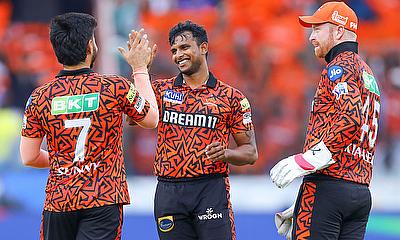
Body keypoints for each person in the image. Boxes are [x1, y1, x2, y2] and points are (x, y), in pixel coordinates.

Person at [19, 12, 158, 240]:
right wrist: (140, 69)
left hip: (59, 201)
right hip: (103, 198)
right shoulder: (115, 87)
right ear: (90, 47)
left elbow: (29, 157)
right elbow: (151, 119)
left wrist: (66, 161)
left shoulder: (39, 97)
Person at [129, 20, 258, 240]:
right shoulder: (160, 90)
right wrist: (141, 71)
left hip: (210, 189)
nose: (179, 54)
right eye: (174, 50)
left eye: (185, 47)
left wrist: (226, 154)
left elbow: (250, 153)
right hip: (169, 192)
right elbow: (135, 119)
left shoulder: (231, 98)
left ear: (204, 48)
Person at [270, 2, 381, 239]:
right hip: (359, 192)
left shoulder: (338, 67)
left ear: (339, 31)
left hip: (327, 186)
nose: (311, 37)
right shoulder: (367, 72)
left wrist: (306, 161)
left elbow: (350, 119)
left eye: (318, 29)